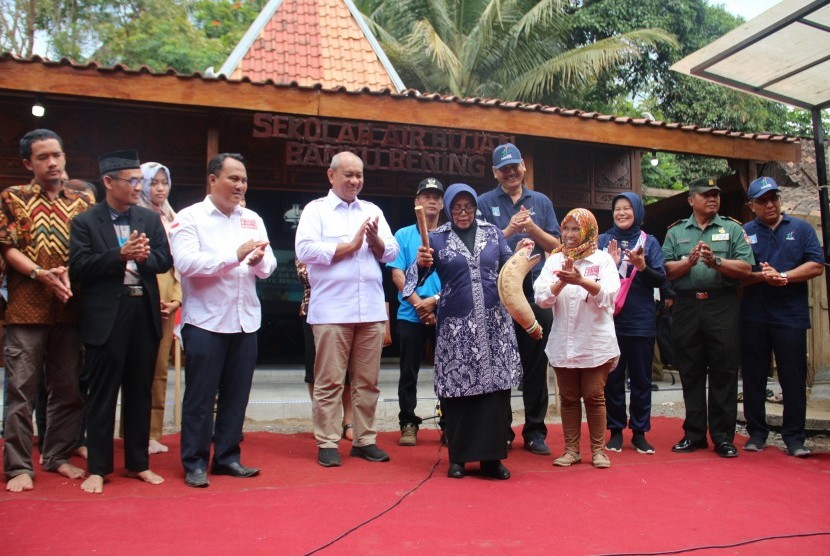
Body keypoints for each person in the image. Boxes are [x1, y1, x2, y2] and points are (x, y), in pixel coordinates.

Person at [69, 149, 172, 493]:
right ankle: (98, 467)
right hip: (105, 316)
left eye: (139, 180)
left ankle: (138, 463)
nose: (138, 186)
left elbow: (163, 261)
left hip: (142, 312)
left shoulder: (148, 219)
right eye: (132, 180)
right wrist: (118, 256)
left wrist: (143, 258)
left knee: (139, 391)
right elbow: (79, 268)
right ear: (108, 182)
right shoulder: (86, 222)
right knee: (102, 393)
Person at [171, 153, 276, 488]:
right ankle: (195, 461)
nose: (240, 185)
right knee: (201, 396)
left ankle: (228, 456)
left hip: (246, 320)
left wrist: (258, 261)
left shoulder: (252, 219)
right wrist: (235, 256)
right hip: (206, 321)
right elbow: (186, 264)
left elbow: (269, 265)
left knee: (236, 394)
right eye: (233, 178)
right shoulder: (190, 218)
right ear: (212, 180)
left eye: (243, 179)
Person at [406, 182, 523, 479]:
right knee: (459, 392)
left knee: (495, 394)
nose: (462, 212)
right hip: (457, 330)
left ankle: (492, 459)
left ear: (475, 207)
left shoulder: (494, 235)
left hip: (495, 326)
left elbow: (511, 270)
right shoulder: (436, 239)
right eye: (456, 207)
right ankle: (458, 458)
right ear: (448, 208)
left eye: (468, 206)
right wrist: (420, 265)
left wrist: (522, 256)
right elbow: (411, 283)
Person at [1, 129, 92, 492]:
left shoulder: (83, 201)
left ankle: (56, 455)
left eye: (57, 154)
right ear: (28, 163)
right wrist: (40, 274)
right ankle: (19, 465)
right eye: (43, 157)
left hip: (70, 308)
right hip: (25, 309)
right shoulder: (12, 198)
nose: (52, 162)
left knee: (68, 387)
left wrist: (70, 270)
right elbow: (6, 247)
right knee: (21, 389)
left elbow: (88, 249)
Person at [295, 151, 399, 468]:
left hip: (369, 310)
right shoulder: (317, 210)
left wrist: (375, 243)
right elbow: (305, 249)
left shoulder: (372, 210)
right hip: (331, 313)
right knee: (329, 381)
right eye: (348, 174)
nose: (354, 180)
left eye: (359, 175)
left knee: (367, 382)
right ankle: (327, 441)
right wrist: (350, 246)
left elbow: (392, 250)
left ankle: (364, 439)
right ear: (331, 175)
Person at [477, 143, 560, 455]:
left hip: (536, 294)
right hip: (499, 295)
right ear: (495, 172)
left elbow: (556, 245)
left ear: (523, 167)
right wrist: (510, 229)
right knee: (499, 364)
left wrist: (532, 228)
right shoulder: (483, 202)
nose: (510, 172)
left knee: (536, 364)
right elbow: (479, 246)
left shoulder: (541, 201)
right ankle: (501, 429)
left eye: (515, 166)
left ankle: (535, 431)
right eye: (503, 168)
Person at [662, 178, 753, 458]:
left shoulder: (732, 228)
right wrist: (688, 263)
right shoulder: (676, 232)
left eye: (716, 195)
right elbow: (666, 269)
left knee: (724, 370)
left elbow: (746, 267)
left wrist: (718, 262)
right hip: (688, 305)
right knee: (690, 371)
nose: (712, 199)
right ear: (691, 200)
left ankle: (723, 437)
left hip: (722, 304)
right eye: (706, 195)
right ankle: (694, 434)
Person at [740, 177, 823, 457]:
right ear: (752, 206)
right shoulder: (744, 232)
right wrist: (762, 277)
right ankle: (757, 433)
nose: (770, 204)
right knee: (753, 377)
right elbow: (737, 276)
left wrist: (784, 276)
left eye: (773, 197)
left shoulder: (801, 229)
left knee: (793, 378)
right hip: (754, 316)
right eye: (762, 200)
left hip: (791, 317)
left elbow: (816, 265)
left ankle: (794, 438)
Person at [534, 208, 620, 469]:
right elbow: (541, 298)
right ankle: (571, 450)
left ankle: (598, 451)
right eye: (566, 229)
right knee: (569, 397)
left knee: (594, 395)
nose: (569, 235)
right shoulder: (554, 260)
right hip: (564, 340)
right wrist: (561, 283)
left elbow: (609, 296)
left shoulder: (603, 259)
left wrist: (582, 281)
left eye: (575, 229)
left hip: (595, 341)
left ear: (588, 231)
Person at [598, 193, 666, 454]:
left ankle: (639, 432)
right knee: (613, 379)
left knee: (641, 379)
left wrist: (643, 266)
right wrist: (611, 266)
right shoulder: (603, 240)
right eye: (617, 209)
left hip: (641, 320)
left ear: (637, 211)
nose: (622, 213)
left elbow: (660, 280)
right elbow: (592, 277)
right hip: (609, 321)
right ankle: (615, 431)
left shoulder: (650, 243)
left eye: (627, 208)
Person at [388, 177, 443, 446]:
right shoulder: (403, 235)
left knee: (448, 370)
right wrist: (418, 304)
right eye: (426, 196)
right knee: (408, 372)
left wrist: (433, 303)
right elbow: (397, 273)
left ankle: (448, 421)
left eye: (436, 196)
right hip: (411, 313)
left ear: (442, 203)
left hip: (444, 312)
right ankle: (408, 422)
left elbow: (456, 278)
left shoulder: (449, 235)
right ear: (416, 202)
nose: (431, 200)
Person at [137, 162, 182, 454]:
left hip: (169, 292)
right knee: (137, 367)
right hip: (141, 293)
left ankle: (153, 432)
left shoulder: (173, 216)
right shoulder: (135, 216)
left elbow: (181, 262)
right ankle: (133, 431)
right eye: (154, 183)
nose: (160, 189)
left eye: (164, 183)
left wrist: (177, 298)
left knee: (159, 369)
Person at [295, 259, 354, 440]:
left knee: (346, 371)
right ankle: (323, 420)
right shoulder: (308, 240)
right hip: (314, 311)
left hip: (346, 311)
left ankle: (349, 420)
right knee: (316, 369)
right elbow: (306, 275)